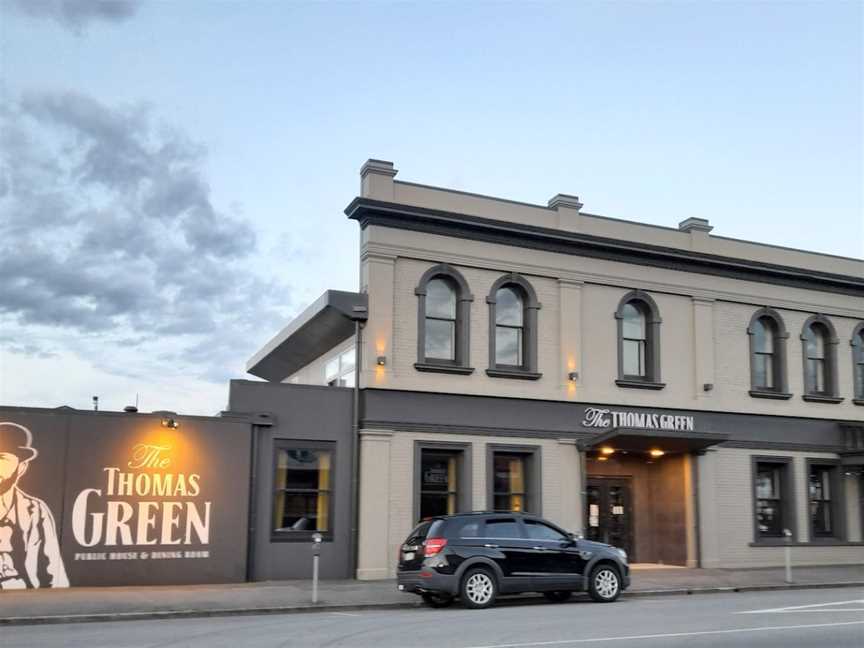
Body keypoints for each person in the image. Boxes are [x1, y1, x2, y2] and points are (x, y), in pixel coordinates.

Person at [0, 422, 68, 588]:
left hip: (23, 592)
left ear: (22, 467)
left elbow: (51, 571)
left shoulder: (35, 511)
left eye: (2, 458)